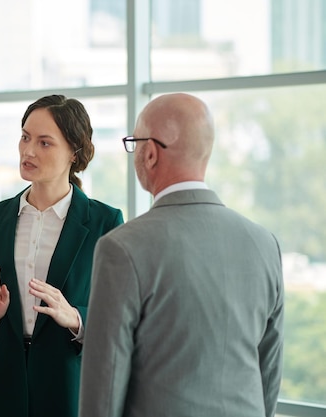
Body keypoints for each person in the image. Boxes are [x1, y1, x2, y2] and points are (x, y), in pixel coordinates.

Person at [79, 93, 284, 417]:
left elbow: (102, 395)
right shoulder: (264, 244)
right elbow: (268, 377)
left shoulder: (122, 247)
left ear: (149, 154)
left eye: (134, 144)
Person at [0, 95, 124, 417]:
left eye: (44, 143)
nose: (28, 150)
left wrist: (76, 317)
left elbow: (119, 316)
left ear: (74, 153)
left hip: (68, 389)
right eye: (25, 137)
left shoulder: (106, 222)